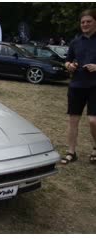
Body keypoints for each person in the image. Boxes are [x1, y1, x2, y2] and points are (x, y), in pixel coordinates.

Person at [61, 9, 96, 164]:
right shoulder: (75, 41)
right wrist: (69, 66)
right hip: (76, 85)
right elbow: (67, 60)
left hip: (95, 86)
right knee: (73, 120)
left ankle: (95, 148)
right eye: (83, 22)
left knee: (93, 120)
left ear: (95, 22)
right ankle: (71, 152)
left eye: (88, 21)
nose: (85, 24)